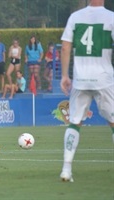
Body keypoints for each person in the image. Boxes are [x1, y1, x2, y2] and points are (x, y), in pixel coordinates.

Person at [60, 0, 114, 182]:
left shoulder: (75, 17)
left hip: (81, 79)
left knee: (74, 123)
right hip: (104, 79)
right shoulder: (111, 17)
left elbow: (66, 46)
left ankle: (66, 169)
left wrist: (65, 75)